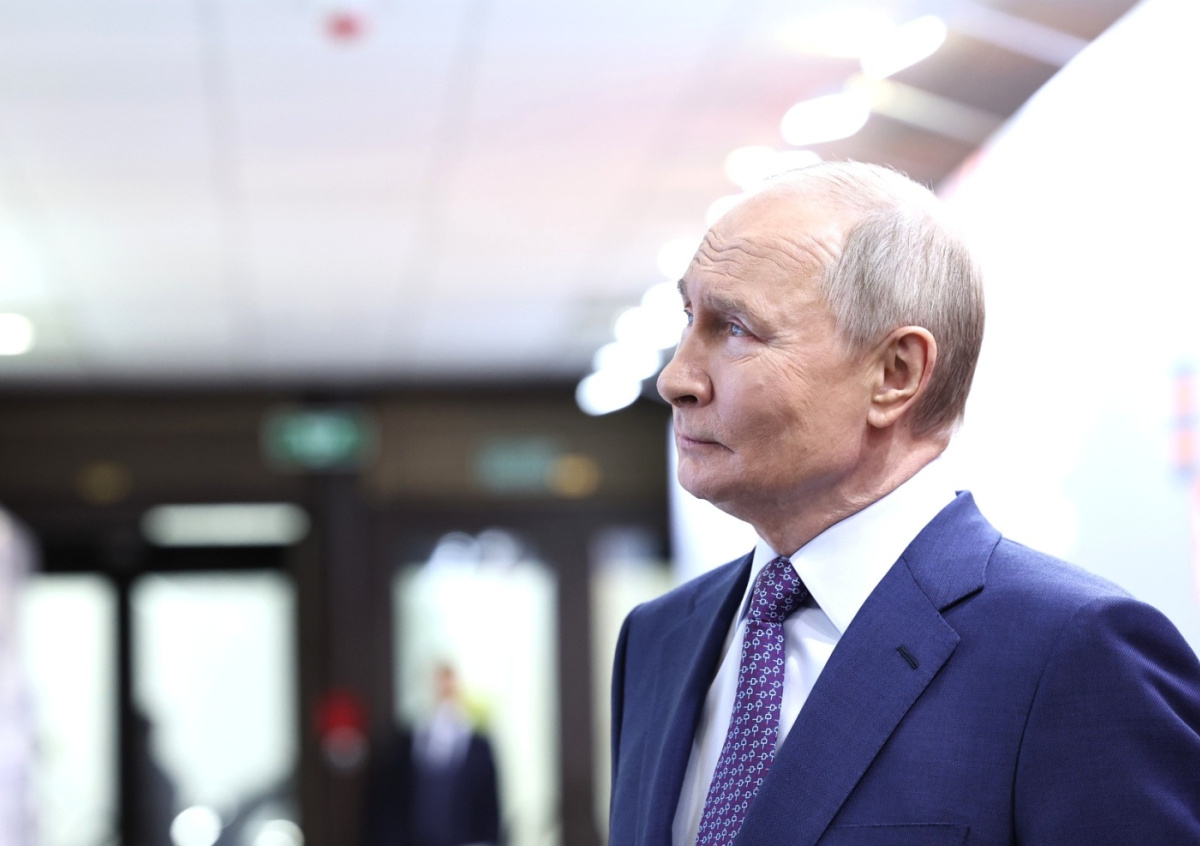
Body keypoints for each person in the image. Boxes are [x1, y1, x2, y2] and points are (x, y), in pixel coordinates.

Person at [608, 161, 1200, 845]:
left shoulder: (1076, 653)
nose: (676, 378)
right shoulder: (659, 639)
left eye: (735, 328)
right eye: (689, 318)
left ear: (896, 374)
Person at [362, 664, 501, 846]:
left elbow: (489, 805)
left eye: (449, 686)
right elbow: (389, 805)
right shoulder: (404, 743)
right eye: (440, 685)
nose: (444, 692)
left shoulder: (478, 746)